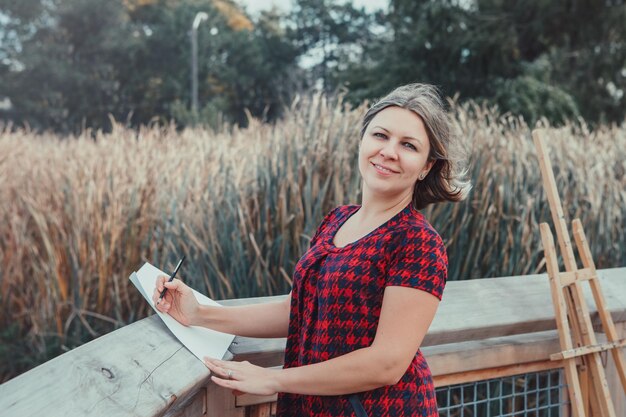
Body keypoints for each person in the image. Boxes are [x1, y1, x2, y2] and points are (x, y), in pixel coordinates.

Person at [152, 83, 471, 416]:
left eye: (408, 145)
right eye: (380, 135)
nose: (389, 151)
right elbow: (301, 309)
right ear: (362, 141)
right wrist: (200, 314)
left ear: (426, 167)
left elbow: (387, 363)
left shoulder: (417, 242)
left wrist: (273, 379)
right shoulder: (337, 219)